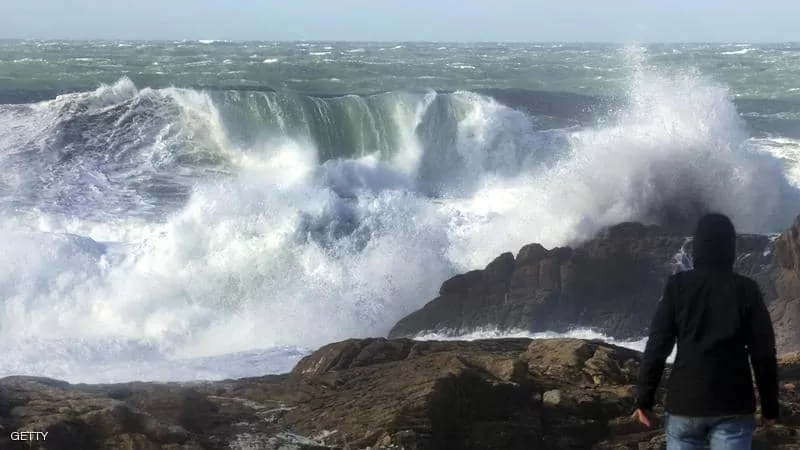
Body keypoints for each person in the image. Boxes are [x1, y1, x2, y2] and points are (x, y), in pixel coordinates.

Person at [632, 213, 780, 449]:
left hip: (685, 404)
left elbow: (657, 347)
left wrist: (644, 398)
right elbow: (763, 354)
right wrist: (770, 406)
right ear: (730, 249)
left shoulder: (677, 286)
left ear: (697, 248)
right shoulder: (746, 290)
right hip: (733, 404)